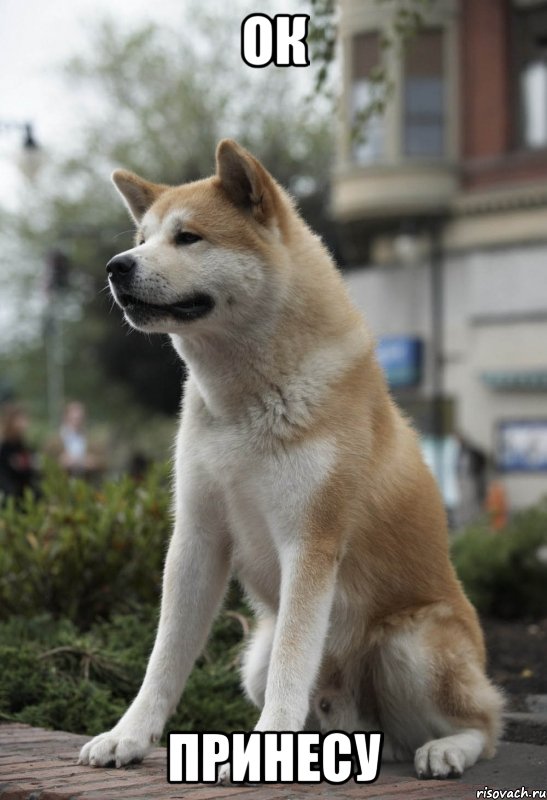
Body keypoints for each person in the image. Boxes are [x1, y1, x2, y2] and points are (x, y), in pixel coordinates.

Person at [0, 404, 39, 501]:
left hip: (26, 493)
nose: (24, 424)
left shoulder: (25, 446)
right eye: (20, 420)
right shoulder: (5, 447)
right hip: (10, 495)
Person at [57, 401, 101, 478]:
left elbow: (104, 463)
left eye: (80, 418)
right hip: (62, 483)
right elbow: (44, 462)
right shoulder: (54, 441)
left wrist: (93, 462)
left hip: (86, 482)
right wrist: (60, 462)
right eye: (73, 418)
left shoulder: (93, 440)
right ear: (65, 418)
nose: (77, 422)